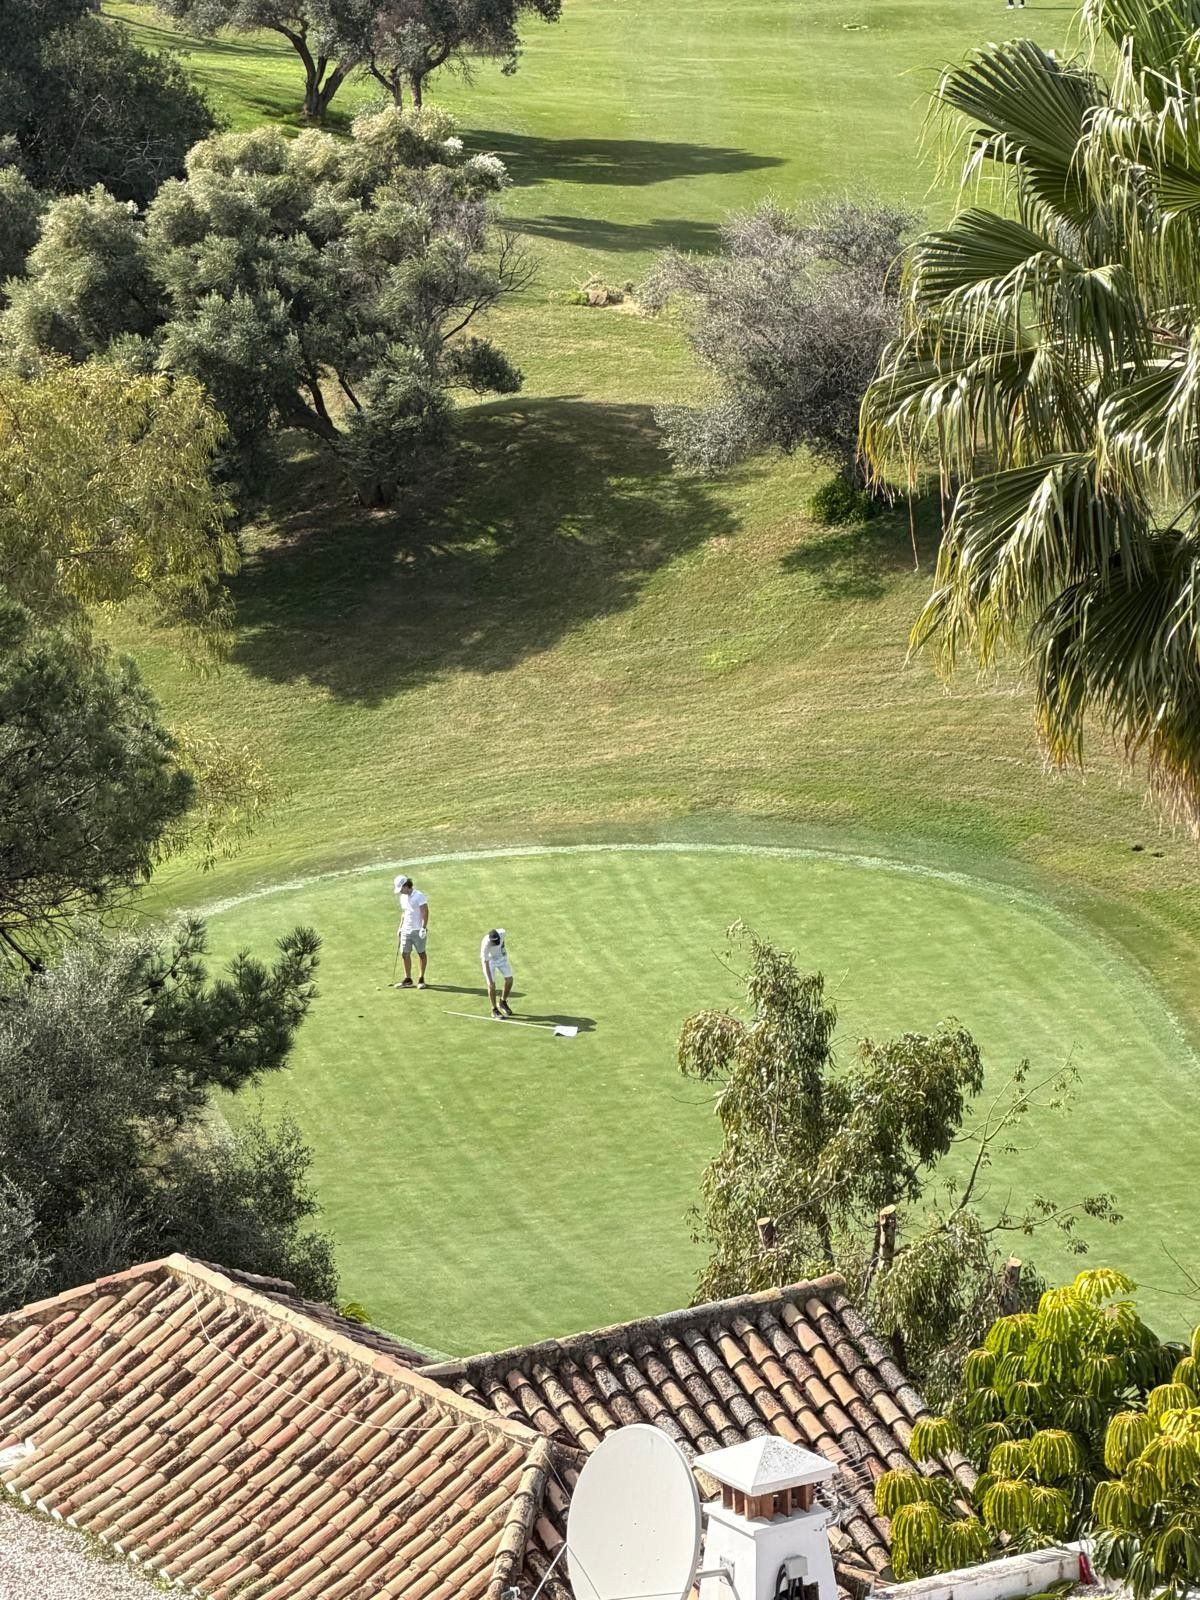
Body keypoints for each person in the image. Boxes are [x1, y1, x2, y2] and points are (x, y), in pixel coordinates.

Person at [394, 875, 429, 988]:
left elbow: (425, 912)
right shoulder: (403, 898)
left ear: (406, 886)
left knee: (421, 953)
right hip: (406, 929)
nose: (400, 892)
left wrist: (423, 927)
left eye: (401, 889)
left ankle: (421, 979)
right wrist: (400, 927)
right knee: (404, 954)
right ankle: (408, 979)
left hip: (418, 930)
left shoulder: (419, 896)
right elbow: (404, 913)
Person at [480, 928, 514, 1018]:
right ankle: (494, 1009)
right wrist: (489, 980)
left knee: (510, 980)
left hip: (501, 958)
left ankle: (503, 1002)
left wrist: (502, 950)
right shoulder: (485, 945)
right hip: (490, 961)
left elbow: (502, 942)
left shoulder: (502, 932)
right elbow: (486, 963)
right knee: (491, 985)